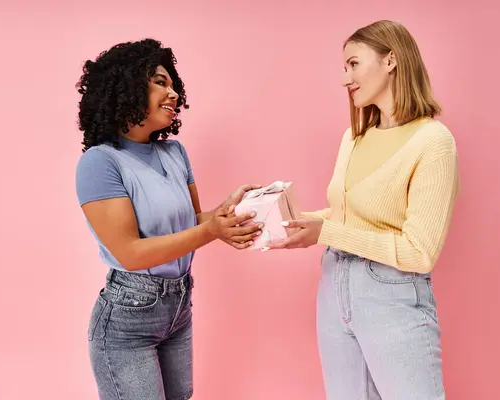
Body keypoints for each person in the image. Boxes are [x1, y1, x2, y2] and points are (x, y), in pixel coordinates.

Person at [268, 20, 459, 400]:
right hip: (334, 286)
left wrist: (325, 232)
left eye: (353, 64)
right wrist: (292, 221)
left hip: (391, 293)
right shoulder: (354, 137)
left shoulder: (433, 142)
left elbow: (420, 252)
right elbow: (345, 217)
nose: (345, 79)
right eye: (345, 68)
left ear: (391, 60)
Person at [74, 39, 263, 400]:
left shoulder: (174, 152)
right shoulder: (100, 163)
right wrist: (211, 230)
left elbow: (191, 222)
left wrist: (224, 215)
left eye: (173, 84)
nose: (173, 93)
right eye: (160, 82)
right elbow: (130, 252)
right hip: (128, 317)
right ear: (127, 87)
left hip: (178, 307)